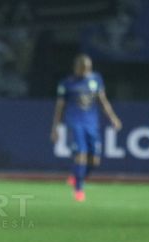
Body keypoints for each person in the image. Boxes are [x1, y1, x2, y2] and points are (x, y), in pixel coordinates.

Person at [50, 54, 122, 202]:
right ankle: (79, 189)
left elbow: (103, 101)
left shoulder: (95, 80)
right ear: (76, 67)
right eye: (83, 68)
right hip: (75, 123)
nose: (85, 71)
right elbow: (60, 107)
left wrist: (113, 118)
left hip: (92, 124)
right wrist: (55, 127)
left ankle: (77, 176)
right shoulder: (67, 83)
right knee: (81, 154)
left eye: (88, 68)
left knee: (94, 160)